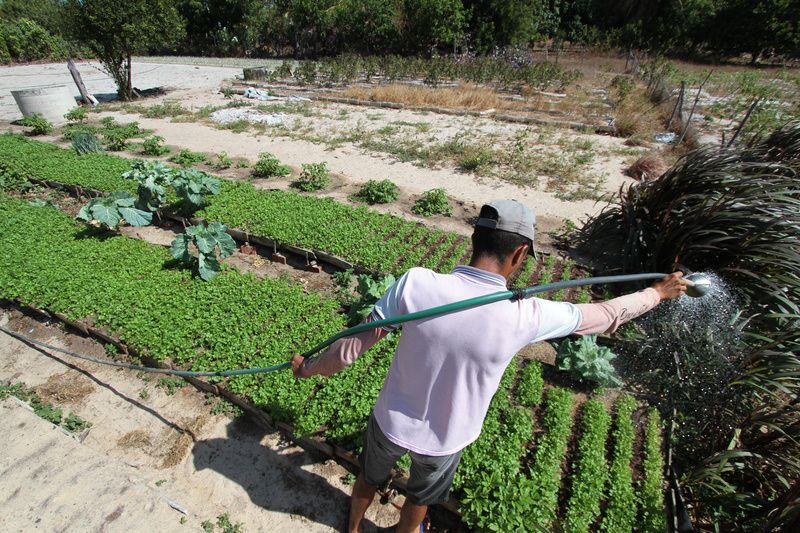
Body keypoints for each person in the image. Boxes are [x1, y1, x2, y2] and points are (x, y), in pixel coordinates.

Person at [291, 200, 688, 533]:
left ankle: (354, 526)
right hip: (446, 440)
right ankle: (406, 530)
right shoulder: (525, 315)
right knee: (420, 497)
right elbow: (604, 314)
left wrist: (306, 369)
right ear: (518, 254)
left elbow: (347, 351)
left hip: (390, 422)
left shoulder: (416, 283)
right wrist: (655, 293)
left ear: (474, 239)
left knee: (368, 477)